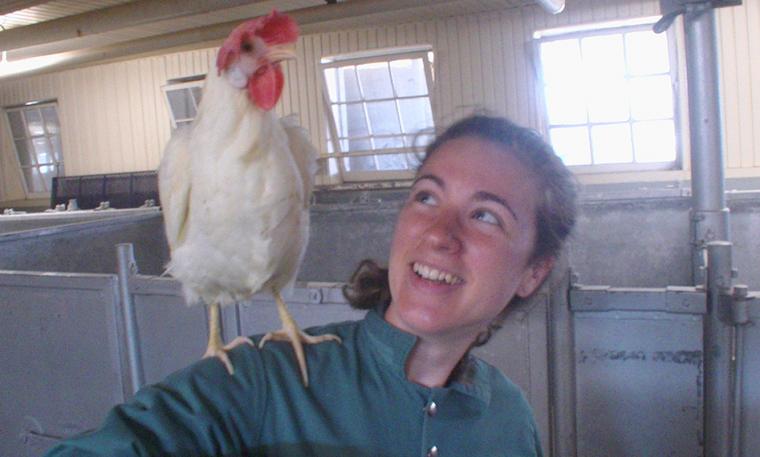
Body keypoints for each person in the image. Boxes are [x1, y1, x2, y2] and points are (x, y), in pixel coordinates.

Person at [45, 114, 577, 457]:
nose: (439, 234)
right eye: (427, 198)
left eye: (485, 216)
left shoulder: (509, 419)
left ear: (534, 271)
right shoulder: (255, 383)